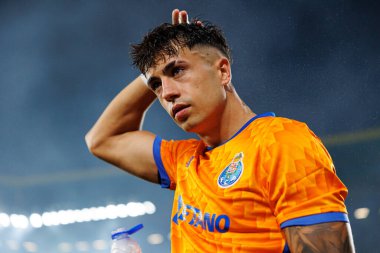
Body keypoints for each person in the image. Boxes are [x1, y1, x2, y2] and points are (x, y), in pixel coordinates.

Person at [85, 9, 355, 253]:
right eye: (156, 84)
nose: (166, 93)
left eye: (177, 70)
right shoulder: (185, 161)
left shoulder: (282, 143)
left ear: (223, 71)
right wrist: (153, 68)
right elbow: (101, 139)